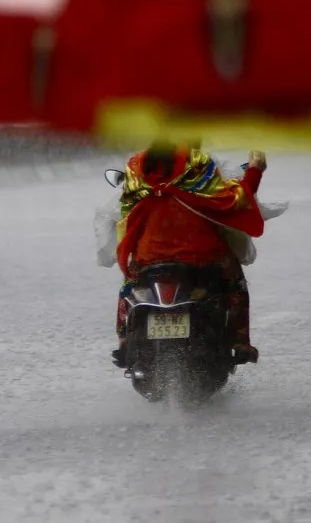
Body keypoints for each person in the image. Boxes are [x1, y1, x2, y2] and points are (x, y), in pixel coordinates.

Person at [110, 139, 267, 369]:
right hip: (199, 254)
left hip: (150, 255)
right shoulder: (197, 164)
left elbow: (125, 209)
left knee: (129, 281)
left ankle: (124, 338)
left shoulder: (135, 166)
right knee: (235, 280)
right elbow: (234, 200)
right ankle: (240, 340)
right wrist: (255, 170)